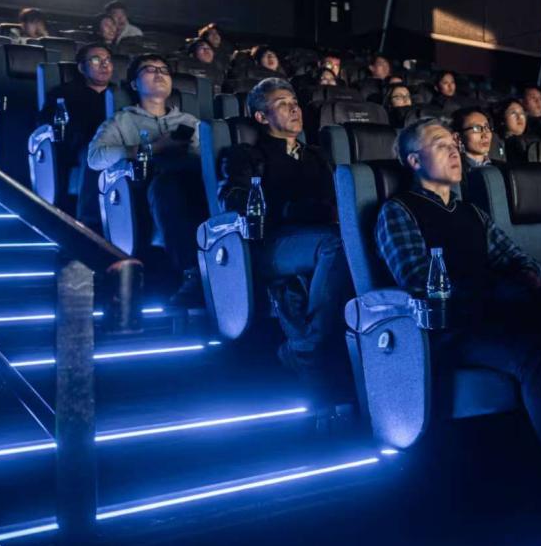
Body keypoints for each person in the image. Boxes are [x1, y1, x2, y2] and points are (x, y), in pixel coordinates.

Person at [374, 117, 541, 505]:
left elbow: (520, 260)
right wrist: (496, 287)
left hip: (495, 315)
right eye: (441, 145)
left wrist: (518, 280)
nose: (454, 151)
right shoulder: (399, 211)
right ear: (414, 161)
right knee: (534, 354)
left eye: (454, 145)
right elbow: (421, 283)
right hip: (449, 330)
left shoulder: (471, 212)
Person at [217, 78, 354, 396]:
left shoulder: (317, 156)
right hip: (272, 243)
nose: (294, 109)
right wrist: (311, 209)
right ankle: (308, 346)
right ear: (261, 117)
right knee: (335, 244)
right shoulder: (247, 155)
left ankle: (322, 348)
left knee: (347, 243)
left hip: (317, 236)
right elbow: (237, 204)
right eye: (282, 104)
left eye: (295, 103)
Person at [87, 54, 206, 306]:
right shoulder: (121, 120)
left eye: (164, 69)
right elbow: (95, 158)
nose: (159, 73)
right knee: (167, 186)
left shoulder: (189, 122)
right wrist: (152, 148)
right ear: (134, 84)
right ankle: (191, 271)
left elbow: (207, 160)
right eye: (150, 70)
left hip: (192, 184)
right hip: (146, 190)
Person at [40, 43, 115, 230]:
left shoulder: (122, 93)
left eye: (108, 60)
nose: (104, 65)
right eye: (96, 60)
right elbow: (48, 123)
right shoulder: (64, 94)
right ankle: (89, 224)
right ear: (82, 68)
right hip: (80, 146)